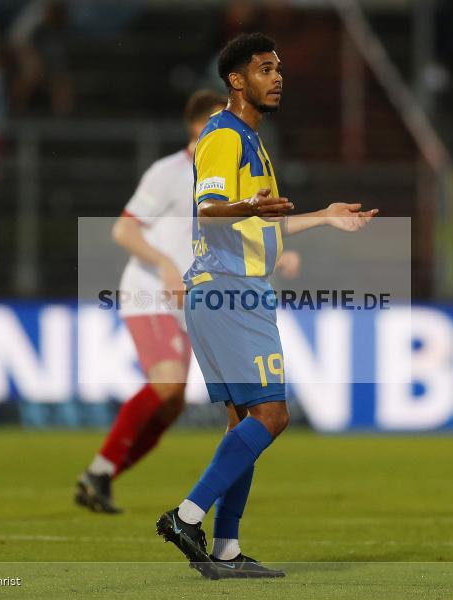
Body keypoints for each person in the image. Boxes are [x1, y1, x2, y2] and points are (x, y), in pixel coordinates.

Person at [154, 33, 377, 580]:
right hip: (230, 289)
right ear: (236, 80)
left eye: (279, 69)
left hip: (224, 289)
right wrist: (246, 206)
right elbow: (211, 211)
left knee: (243, 425)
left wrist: (323, 216)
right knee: (273, 416)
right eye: (264, 68)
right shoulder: (223, 136)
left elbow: (257, 218)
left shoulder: (251, 141)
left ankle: (226, 548)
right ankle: (186, 516)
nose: (277, 77)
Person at [74, 89, 300, 513]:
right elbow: (123, 231)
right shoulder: (169, 172)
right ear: (199, 125)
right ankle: (101, 472)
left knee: (175, 403)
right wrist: (162, 264)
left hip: (195, 294)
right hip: (151, 293)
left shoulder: (226, 169)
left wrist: (274, 249)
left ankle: (101, 476)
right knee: (167, 385)